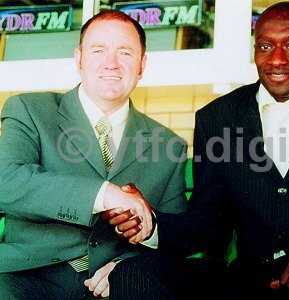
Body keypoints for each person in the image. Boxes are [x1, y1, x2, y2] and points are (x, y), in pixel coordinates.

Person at [105, 2, 289, 299]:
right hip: (250, 283)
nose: (277, 59)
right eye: (265, 46)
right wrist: (151, 222)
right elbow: (207, 224)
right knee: (135, 275)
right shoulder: (219, 118)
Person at [0, 10, 187, 300]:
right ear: (79, 59)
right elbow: (6, 181)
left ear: (142, 65)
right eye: (98, 50)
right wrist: (104, 194)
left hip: (118, 285)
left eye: (125, 52)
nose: (111, 63)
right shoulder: (30, 111)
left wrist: (134, 255)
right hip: (25, 279)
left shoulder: (169, 145)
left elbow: (176, 239)